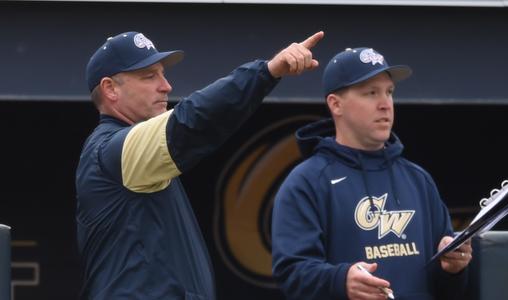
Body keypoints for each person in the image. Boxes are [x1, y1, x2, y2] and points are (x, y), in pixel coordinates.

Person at [76, 30, 324, 299]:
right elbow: (191, 120)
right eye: (149, 76)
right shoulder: (112, 151)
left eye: (162, 73)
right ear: (110, 89)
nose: (166, 86)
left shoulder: (128, 151)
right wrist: (266, 72)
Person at [271, 47, 472, 300]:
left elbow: (447, 290)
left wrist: (453, 269)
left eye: (389, 92)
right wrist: (341, 281)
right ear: (336, 104)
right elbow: (291, 274)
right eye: (371, 93)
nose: (385, 104)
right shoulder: (307, 181)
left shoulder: (418, 179)